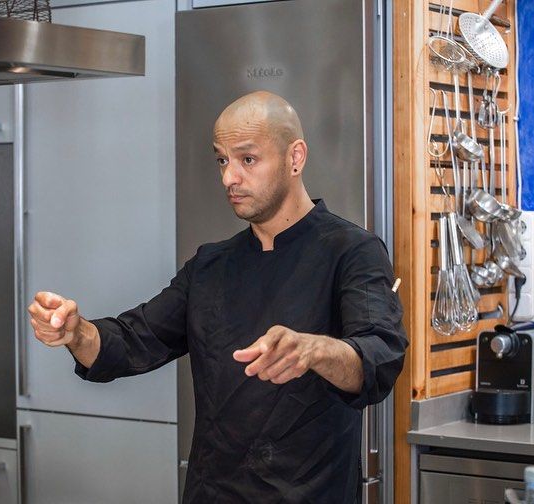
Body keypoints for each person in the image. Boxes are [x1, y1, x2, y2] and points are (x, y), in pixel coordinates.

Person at [28, 91, 408, 503]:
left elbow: (380, 356)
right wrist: (77, 333)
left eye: (248, 159)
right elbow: (134, 340)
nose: (229, 178)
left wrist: (314, 350)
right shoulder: (211, 265)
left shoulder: (352, 251)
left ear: (295, 157)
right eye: (222, 160)